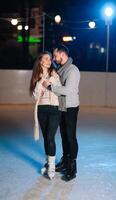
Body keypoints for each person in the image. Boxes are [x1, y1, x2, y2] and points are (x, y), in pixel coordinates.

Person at [42, 45, 80, 181]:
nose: (54, 58)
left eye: (55, 56)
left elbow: (68, 90)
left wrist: (51, 87)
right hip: (62, 105)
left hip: (71, 107)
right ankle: (65, 161)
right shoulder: (61, 69)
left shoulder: (73, 70)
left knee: (70, 136)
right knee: (64, 135)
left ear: (63, 55)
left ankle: (72, 166)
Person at [29, 51, 61, 180]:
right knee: (46, 137)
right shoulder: (36, 77)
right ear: (40, 61)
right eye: (46, 59)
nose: (49, 61)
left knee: (50, 137)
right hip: (42, 109)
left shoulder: (55, 74)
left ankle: (52, 166)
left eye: (50, 59)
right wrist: (40, 84)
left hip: (54, 109)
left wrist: (52, 81)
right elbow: (34, 96)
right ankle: (48, 162)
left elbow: (59, 91)